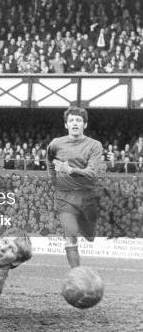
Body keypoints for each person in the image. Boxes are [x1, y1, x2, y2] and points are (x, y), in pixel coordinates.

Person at [47, 107, 103, 268]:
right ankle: (77, 274)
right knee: (70, 235)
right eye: (71, 120)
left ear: (85, 125)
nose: (75, 123)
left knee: (90, 236)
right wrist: (54, 180)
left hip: (87, 197)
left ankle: (88, 232)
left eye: (78, 120)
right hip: (65, 197)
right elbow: (50, 161)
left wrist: (70, 170)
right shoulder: (56, 143)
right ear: (66, 125)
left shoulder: (94, 145)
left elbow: (91, 173)